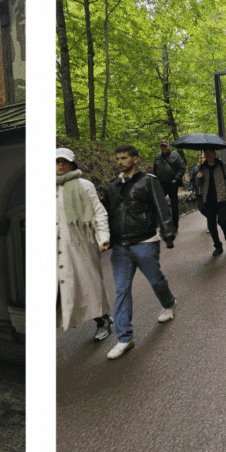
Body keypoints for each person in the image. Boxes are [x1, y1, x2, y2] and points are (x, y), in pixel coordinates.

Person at [101, 145, 177, 360]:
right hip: (120, 248)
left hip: (145, 242)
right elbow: (104, 215)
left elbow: (162, 208)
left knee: (156, 280)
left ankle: (169, 303)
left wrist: (167, 234)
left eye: (124, 158)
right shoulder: (112, 186)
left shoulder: (148, 180)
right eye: (117, 158)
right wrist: (103, 238)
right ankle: (125, 339)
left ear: (135, 159)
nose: (119, 161)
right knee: (122, 291)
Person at [56, 147, 113, 341]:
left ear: (72, 164)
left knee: (89, 283)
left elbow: (98, 212)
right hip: (59, 245)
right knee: (67, 285)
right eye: (56, 161)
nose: (60, 165)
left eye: (64, 161)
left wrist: (103, 237)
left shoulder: (84, 185)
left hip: (82, 243)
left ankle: (103, 321)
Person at [194, 149, 226, 257]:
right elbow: (198, 184)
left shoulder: (222, 165)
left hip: (221, 199)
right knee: (211, 225)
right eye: (206, 154)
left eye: (209, 153)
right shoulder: (202, 167)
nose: (207, 155)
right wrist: (199, 177)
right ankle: (218, 246)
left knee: (222, 221)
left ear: (214, 154)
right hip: (208, 200)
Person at [153, 139, 186, 231]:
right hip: (161, 185)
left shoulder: (175, 156)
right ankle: (163, 225)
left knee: (174, 205)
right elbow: (154, 171)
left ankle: (175, 226)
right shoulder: (157, 157)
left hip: (172, 184)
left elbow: (182, 168)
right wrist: (154, 182)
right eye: (161, 146)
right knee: (159, 205)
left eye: (165, 146)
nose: (163, 148)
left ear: (168, 146)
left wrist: (176, 179)